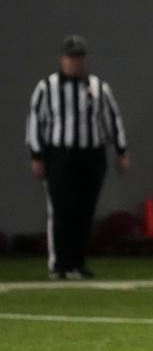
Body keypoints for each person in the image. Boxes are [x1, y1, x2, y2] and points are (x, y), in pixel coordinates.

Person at [25, 35, 128, 280]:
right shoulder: (46, 87)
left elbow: (113, 119)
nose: (75, 63)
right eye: (71, 58)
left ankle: (77, 262)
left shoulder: (98, 86)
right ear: (62, 59)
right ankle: (59, 263)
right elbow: (34, 121)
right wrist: (36, 155)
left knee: (85, 210)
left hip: (92, 155)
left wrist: (121, 151)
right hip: (60, 155)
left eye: (79, 58)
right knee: (61, 210)